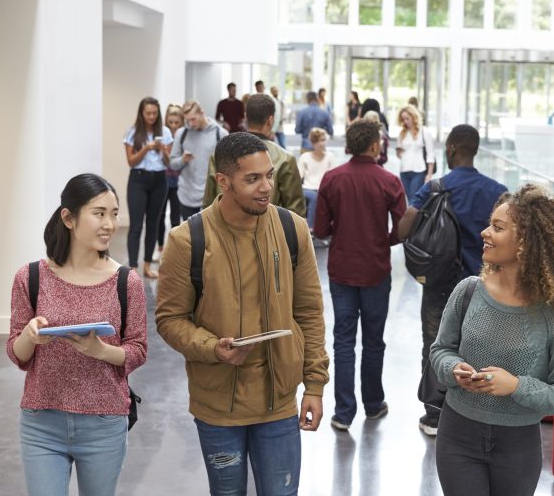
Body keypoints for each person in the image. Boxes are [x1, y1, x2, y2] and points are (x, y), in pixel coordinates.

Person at [156, 132, 328, 496]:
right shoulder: (188, 240)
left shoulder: (292, 229)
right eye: (252, 179)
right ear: (223, 181)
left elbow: (309, 312)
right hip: (218, 406)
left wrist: (314, 385)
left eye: (268, 175)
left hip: (279, 402)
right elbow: (169, 320)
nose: (266, 187)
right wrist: (212, 347)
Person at [430, 184, 554, 496]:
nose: (485, 232)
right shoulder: (468, 291)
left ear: (526, 243)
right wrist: (453, 368)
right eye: (489, 224)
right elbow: (441, 350)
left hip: (517, 447)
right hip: (458, 434)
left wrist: (515, 386)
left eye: (497, 227)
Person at [7, 173, 147, 496]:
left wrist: (101, 350)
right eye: (99, 213)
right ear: (68, 218)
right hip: (42, 422)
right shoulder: (29, 278)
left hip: (105, 423)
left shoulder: (127, 282)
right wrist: (29, 336)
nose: (109, 224)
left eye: (114, 214)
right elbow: (17, 353)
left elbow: (138, 350)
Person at [398, 124, 508, 436]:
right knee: (480, 346)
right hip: (485, 285)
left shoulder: (435, 187)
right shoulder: (497, 191)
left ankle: (434, 414)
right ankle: (473, 413)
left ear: (450, 149)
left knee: (435, 344)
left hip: (440, 283)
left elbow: (405, 226)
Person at [313, 120, 407, 431]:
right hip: (376, 271)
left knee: (343, 340)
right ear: (375, 145)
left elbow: (322, 230)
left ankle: (343, 412)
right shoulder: (390, 181)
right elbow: (403, 228)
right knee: (373, 341)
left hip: (341, 270)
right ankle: (373, 402)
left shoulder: (331, 179)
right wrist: (386, 240)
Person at [203, 94, 306, 217]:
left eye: (269, 175)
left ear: (246, 117)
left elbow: (208, 203)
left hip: (221, 230)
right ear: (270, 120)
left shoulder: (219, 154)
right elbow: (295, 212)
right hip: (267, 232)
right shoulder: (285, 159)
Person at [123, 96, 171, 278]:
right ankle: (133, 268)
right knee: (136, 225)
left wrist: (163, 151)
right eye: (148, 113)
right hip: (138, 180)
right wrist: (145, 148)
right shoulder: (133, 133)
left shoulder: (165, 132)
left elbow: (168, 163)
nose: (151, 116)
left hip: (159, 180)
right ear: (141, 114)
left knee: (153, 224)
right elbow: (131, 161)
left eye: (154, 113)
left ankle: (147, 265)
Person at [169, 100, 227, 220]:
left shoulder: (220, 134)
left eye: (193, 119)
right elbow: (173, 164)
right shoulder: (182, 133)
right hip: (186, 195)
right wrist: (183, 160)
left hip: (211, 196)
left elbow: (228, 166)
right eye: (187, 120)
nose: (190, 123)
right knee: (190, 236)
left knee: (210, 237)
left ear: (202, 113)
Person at [156, 104, 185, 260]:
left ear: (181, 122)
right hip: (163, 180)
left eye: (177, 122)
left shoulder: (184, 137)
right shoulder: (163, 137)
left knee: (175, 218)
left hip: (179, 181)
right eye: (171, 122)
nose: (174, 125)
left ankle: (174, 251)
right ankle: (159, 248)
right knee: (160, 215)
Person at [298, 128, 336, 232]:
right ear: (313, 143)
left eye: (323, 140)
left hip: (323, 188)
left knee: (322, 195)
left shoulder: (330, 157)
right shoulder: (305, 157)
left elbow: (332, 177)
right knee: (315, 197)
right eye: (319, 141)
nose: (322, 143)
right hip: (307, 188)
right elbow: (298, 176)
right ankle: (310, 227)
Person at [396, 104, 436, 203]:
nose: (405, 121)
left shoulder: (424, 131)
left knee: (413, 201)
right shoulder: (402, 133)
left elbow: (430, 154)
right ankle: (416, 218)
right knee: (410, 200)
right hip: (404, 170)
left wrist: (429, 175)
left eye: (407, 118)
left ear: (413, 117)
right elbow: (399, 155)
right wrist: (399, 152)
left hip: (418, 170)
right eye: (403, 119)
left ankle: (414, 218)